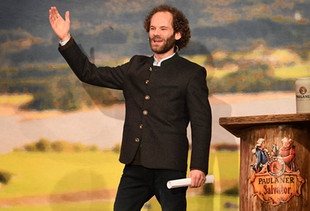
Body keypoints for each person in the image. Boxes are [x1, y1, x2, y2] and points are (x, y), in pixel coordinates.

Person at [49, 4, 212, 211]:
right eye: (152, 29)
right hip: (135, 165)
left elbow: (201, 123)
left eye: (163, 29)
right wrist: (66, 39)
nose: (156, 34)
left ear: (178, 34)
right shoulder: (135, 66)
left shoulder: (192, 73)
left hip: (170, 167)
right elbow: (89, 73)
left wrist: (198, 166)